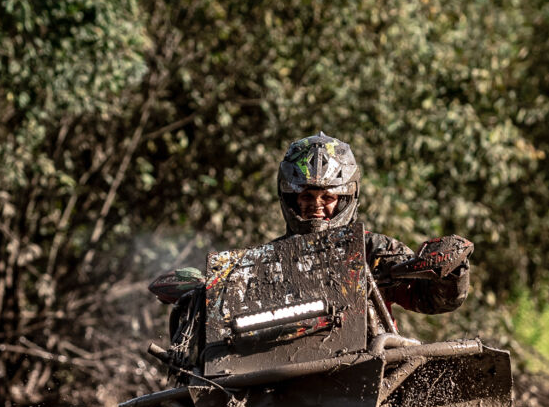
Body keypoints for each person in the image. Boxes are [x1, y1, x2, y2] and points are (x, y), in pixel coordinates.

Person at [149, 132, 472, 330]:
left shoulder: (375, 249)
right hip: (274, 371)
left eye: (327, 197)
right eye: (305, 196)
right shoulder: (261, 260)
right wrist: (204, 287)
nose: (315, 206)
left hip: (370, 361)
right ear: (290, 198)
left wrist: (451, 271)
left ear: (345, 198)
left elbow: (432, 301)